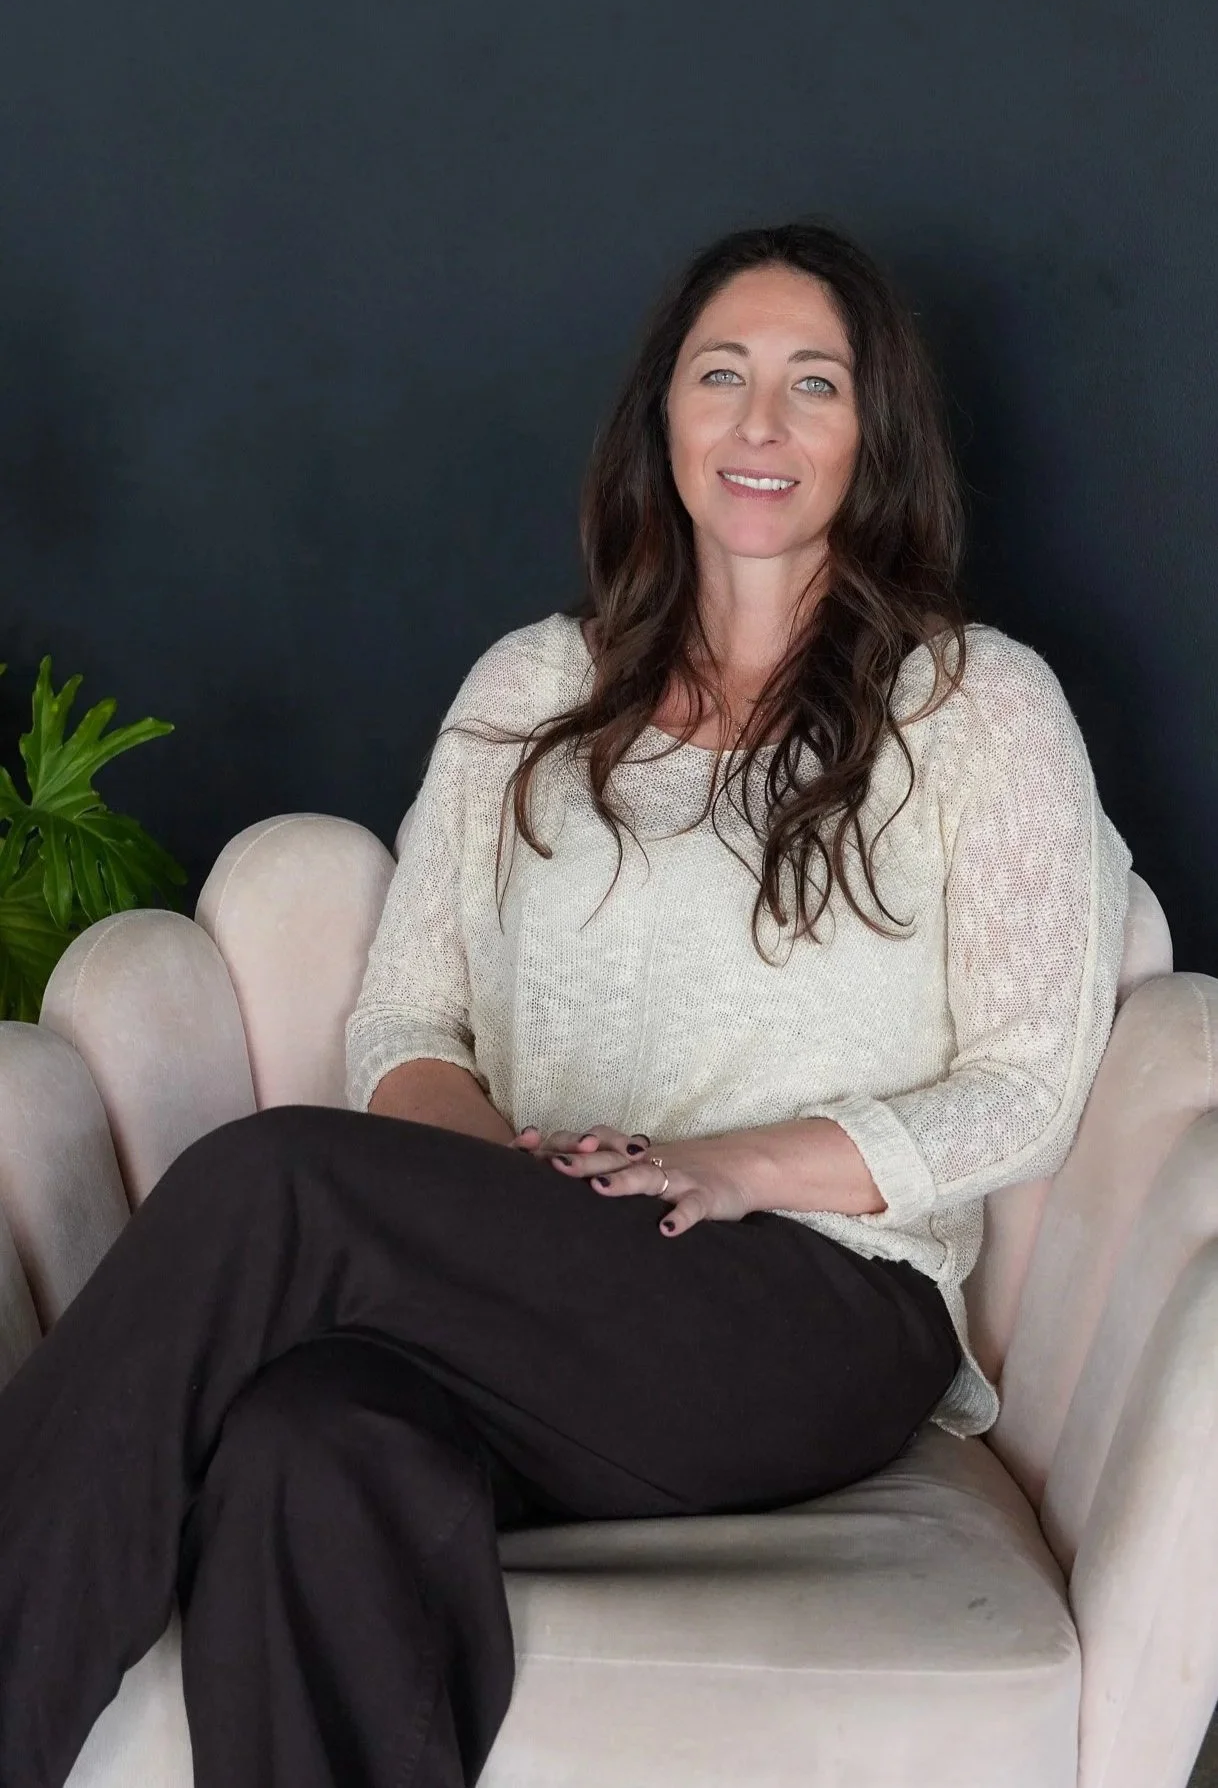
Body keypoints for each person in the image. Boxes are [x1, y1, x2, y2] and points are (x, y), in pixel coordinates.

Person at [0, 222, 1132, 1788]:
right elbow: (406, 1022)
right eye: (720, 376)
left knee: (270, 1183)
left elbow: (1026, 1081)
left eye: (812, 384)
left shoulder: (972, 704)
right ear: (660, 417)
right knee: (309, 1441)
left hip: (807, 1306)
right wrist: (502, 1188)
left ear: (874, 434)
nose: (758, 422)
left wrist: (730, 1167)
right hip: (538, 1277)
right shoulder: (531, 690)